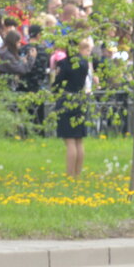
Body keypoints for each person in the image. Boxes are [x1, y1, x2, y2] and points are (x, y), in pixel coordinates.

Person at [54, 37, 93, 177]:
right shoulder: (84, 63)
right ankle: (77, 173)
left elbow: (57, 82)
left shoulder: (63, 63)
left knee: (70, 140)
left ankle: (70, 174)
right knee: (79, 139)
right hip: (80, 97)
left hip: (66, 98)